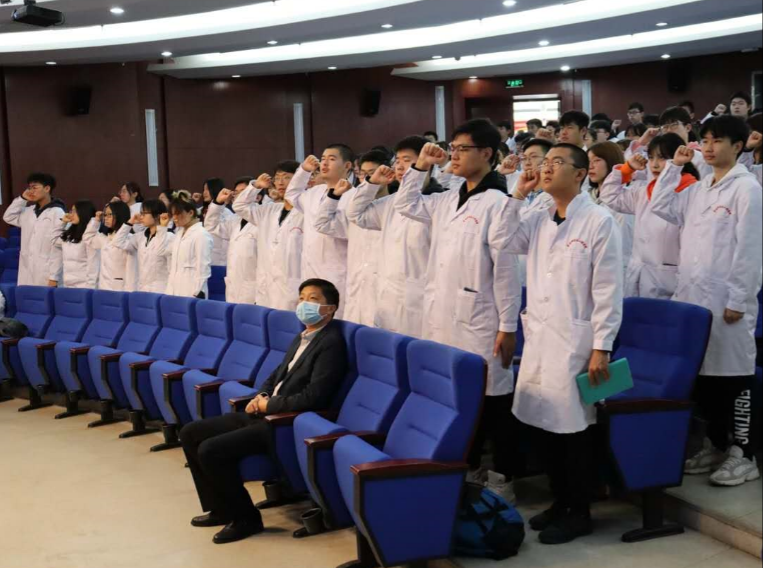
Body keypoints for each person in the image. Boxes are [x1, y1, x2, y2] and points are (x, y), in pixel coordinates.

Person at [395, 119, 522, 502]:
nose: (454, 155)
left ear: (487, 153)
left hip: (481, 320)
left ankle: (504, 476)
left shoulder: (498, 203)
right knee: (458, 399)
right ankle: (468, 468)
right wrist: (421, 166)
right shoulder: (447, 198)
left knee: (493, 401)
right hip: (444, 316)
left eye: (462, 149)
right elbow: (405, 203)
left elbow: (506, 271)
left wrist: (508, 326)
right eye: (452, 148)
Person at [508, 143, 624, 545]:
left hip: (578, 342)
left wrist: (602, 347)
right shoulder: (539, 217)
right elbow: (503, 238)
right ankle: (560, 501)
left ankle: (579, 511)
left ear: (579, 174)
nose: (546, 168)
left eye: (557, 162)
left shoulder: (599, 221)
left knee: (575, 430)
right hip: (541, 337)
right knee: (543, 426)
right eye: (545, 162)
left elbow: (608, 289)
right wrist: (518, 194)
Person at [179, 279, 348, 544]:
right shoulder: (303, 336)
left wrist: (270, 406)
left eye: (313, 299)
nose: (304, 304)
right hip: (265, 412)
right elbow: (278, 375)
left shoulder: (331, 343)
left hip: (285, 424)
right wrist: (261, 395)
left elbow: (315, 397)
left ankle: (246, 519)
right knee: (190, 433)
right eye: (302, 298)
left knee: (211, 449)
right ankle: (221, 508)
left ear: (330, 308)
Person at [651, 116, 762, 487]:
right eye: (706, 140)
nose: (709, 147)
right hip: (693, 302)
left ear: (738, 146)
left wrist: (739, 299)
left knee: (735, 378)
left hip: (727, 301)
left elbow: (750, 250)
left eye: (718, 140)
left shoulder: (746, 189)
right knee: (705, 379)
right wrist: (674, 167)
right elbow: (661, 206)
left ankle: (744, 453)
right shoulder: (699, 189)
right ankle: (716, 444)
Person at [346, 136, 444, 338]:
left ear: (426, 163)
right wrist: (372, 183)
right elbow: (355, 214)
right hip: (387, 299)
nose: (399, 166)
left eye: (407, 160)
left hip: (421, 301)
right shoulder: (390, 203)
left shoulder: (440, 202)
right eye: (397, 160)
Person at [600, 133, 699, 299]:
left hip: (671, 281)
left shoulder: (691, 192)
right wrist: (627, 168)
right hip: (639, 276)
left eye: (662, 158)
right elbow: (609, 195)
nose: (654, 164)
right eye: (651, 158)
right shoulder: (644, 192)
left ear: (680, 158)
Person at [313, 149, 390, 326]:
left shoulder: (396, 207)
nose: (369, 179)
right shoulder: (353, 210)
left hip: (385, 293)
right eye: (364, 174)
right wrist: (334, 196)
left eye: (373, 173)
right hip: (356, 291)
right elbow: (322, 223)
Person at [285, 144, 355, 318]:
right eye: (323, 159)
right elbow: (291, 195)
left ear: (347, 165)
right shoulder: (314, 193)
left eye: (331, 159)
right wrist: (304, 170)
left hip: (337, 269)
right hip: (310, 267)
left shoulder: (353, 196)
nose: (324, 163)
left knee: (335, 319)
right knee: (311, 320)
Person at [233, 164, 303, 310]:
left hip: (293, 287)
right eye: (277, 178)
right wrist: (256, 186)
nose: (281, 182)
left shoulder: (305, 212)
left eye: (287, 178)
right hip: (266, 289)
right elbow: (239, 206)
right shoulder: (269, 210)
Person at [3, 173, 65, 286]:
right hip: (26, 269)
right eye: (29, 188)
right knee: (26, 296)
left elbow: (58, 247)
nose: (31, 191)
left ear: (47, 188)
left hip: (46, 271)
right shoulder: (28, 211)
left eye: (35, 187)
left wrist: (54, 277)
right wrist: (22, 199)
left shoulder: (58, 212)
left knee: (43, 297)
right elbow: (8, 217)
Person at [205, 176, 259, 304]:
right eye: (236, 192)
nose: (238, 195)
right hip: (233, 286)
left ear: (256, 196)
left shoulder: (264, 218)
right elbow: (211, 227)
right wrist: (218, 203)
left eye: (243, 191)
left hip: (255, 288)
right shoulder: (234, 220)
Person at [586, 142, 635, 275]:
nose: (590, 166)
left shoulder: (624, 200)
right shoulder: (585, 196)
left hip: (611, 270)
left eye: (597, 160)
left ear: (611, 162)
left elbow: (623, 247)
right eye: (588, 161)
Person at [113, 199, 175, 293]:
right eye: (140, 213)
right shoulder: (140, 237)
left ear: (157, 215)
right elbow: (117, 242)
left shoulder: (169, 237)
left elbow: (171, 268)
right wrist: (130, 222)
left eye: (144, 213)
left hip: (161, 290)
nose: (141, 217)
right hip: (143, 289)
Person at [165, 192, 213, 299]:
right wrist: (162, 228)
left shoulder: (201, 234)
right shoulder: (178, 234)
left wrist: (198, 292)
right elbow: (163, 252)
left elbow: (203, 267)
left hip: (191, 291)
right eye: (173, 214)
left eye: (178, 214)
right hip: (173, 289)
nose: (175, 218)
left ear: (191, 213)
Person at [86, 201, 132, 291]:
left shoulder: (129, 238)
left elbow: (131, 269)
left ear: (119, 215)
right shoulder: (105, 238)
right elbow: (88, 238)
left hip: (120, 288)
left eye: (109, 215)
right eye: (105, 215)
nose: (105, 218)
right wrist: (96, 220)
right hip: (103, 287)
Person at [54, 200, 100, 289]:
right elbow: (54, 241)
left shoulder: (91, 236)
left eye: (75, 211)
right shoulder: (69, 234)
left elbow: (93, 266)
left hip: (84, 287)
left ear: (84, 212)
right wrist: (63, 222)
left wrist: (90, 290)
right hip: (66, 285)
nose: (71, 214)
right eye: (71, 211)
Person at [200, 178, 229, 266]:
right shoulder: (201, 211)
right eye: (204, 190)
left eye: (207, 189)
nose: (204, 193)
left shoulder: (225, 213)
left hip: (218, 261)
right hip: (204, 257)